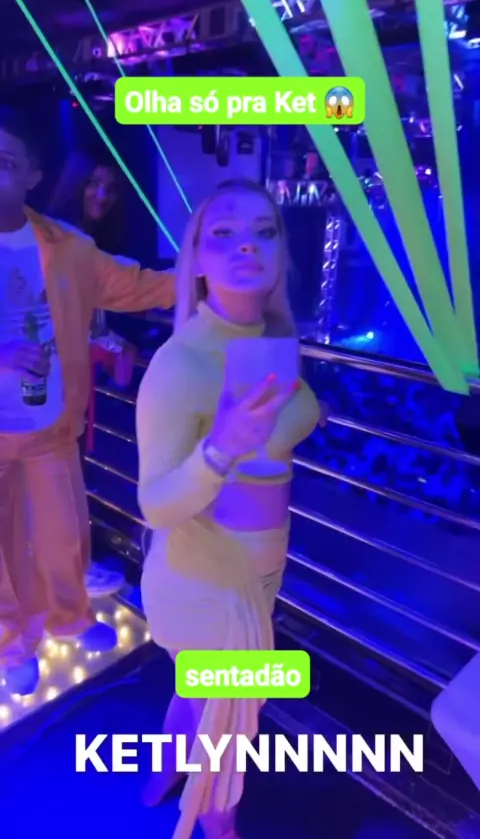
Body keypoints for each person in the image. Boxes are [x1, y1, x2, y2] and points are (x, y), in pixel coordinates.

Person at [136, 179, 326, 838]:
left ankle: (160, 778)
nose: (246, 244)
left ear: (280, 253)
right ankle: (217, 827)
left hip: (257, 575)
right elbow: (154, 504)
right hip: (203, 586)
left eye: (263, 231)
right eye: (223, 233)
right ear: (196, 258)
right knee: (228, 729)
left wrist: (305, 411)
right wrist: (219, 450)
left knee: (201, 696)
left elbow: (282, 426)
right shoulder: (180, 364)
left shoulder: (271, 344)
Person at [0, 107, 175, 697]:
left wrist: (204, 270)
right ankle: (11, 642)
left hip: (50, 425)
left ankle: (69, 618)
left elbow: (135, 285)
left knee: (64, 531)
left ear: (33, 175)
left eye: (4, 162)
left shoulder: (67, 246)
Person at [47, 150, 135, 598]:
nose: (102, 195)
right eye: (93, 184)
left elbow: (91, 321)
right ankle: (68, 572)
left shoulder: (85, 242)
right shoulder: (59, 239)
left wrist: (115, 342)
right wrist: (113, 344)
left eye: (111, 188)